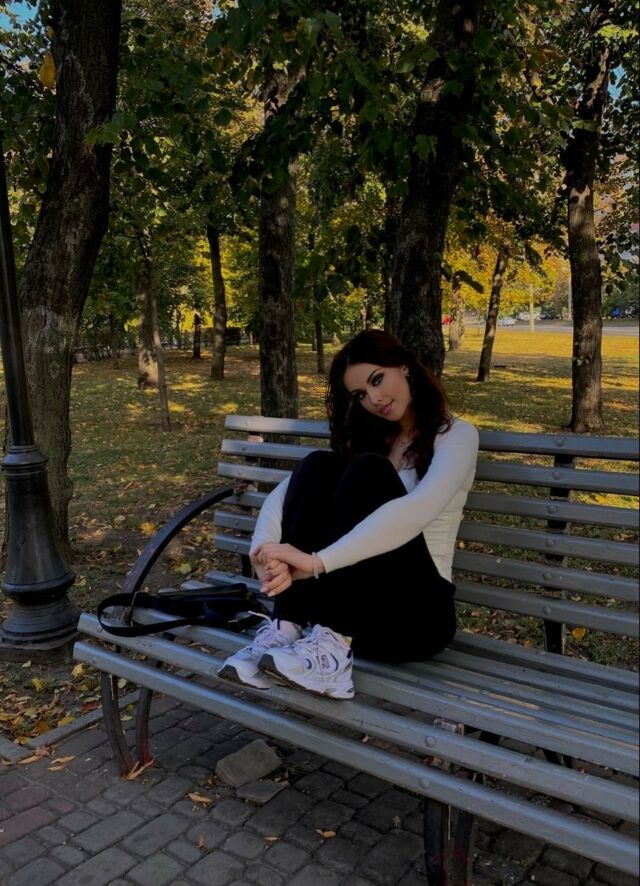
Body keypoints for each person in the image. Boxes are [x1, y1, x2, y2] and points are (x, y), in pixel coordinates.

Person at [218, 330, 479, 699]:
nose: (374, 399)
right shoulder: (375, 441)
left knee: (369, 472)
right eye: (360, 394)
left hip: (415, 617)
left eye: (377, 380)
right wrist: (263, 550)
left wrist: (316, 562)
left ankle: (333, 654)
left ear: (403, 367)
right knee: (318, 465)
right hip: (353, 612)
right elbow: (285, 492)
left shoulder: (456, 435)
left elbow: (416, 510)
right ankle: (286, 627)